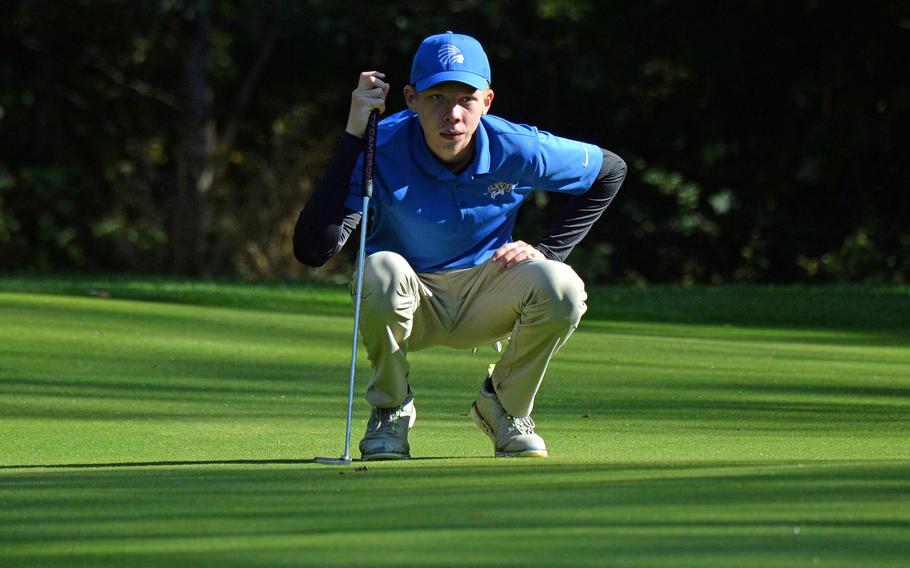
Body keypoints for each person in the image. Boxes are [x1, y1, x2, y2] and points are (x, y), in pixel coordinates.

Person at [294, 31, 626, 460]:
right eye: (436, 97)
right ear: (411, 99)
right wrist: (354, 134)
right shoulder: (380, 145)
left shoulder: (518, 147)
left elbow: (610, 170)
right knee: (381, 267)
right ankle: (391, 410)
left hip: (489, 293)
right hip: (409, 298)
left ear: (487, 102)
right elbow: (313, 250)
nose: (452, 113)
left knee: (561, 285)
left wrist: (548, 250)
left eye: (465, 99)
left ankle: (503, 407)